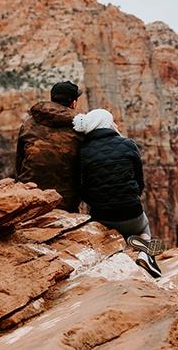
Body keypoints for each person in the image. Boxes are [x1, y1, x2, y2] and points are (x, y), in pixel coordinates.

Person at [73, 108, 165, 278]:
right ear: (106, 123)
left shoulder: (83, 151)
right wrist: (130, 195)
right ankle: (145, 254)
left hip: (102, 216)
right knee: (144, 226)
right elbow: (140, 181)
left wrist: (96, 201)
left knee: (110, 224)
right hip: (131, 212)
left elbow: (81, 187)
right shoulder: (128, 144)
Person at [16, 81, 83, 212]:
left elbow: (19, 162)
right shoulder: (79, 126)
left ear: (52, 99)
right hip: (65, 201)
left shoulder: (29, 123)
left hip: (29, 196)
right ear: (73, 103)